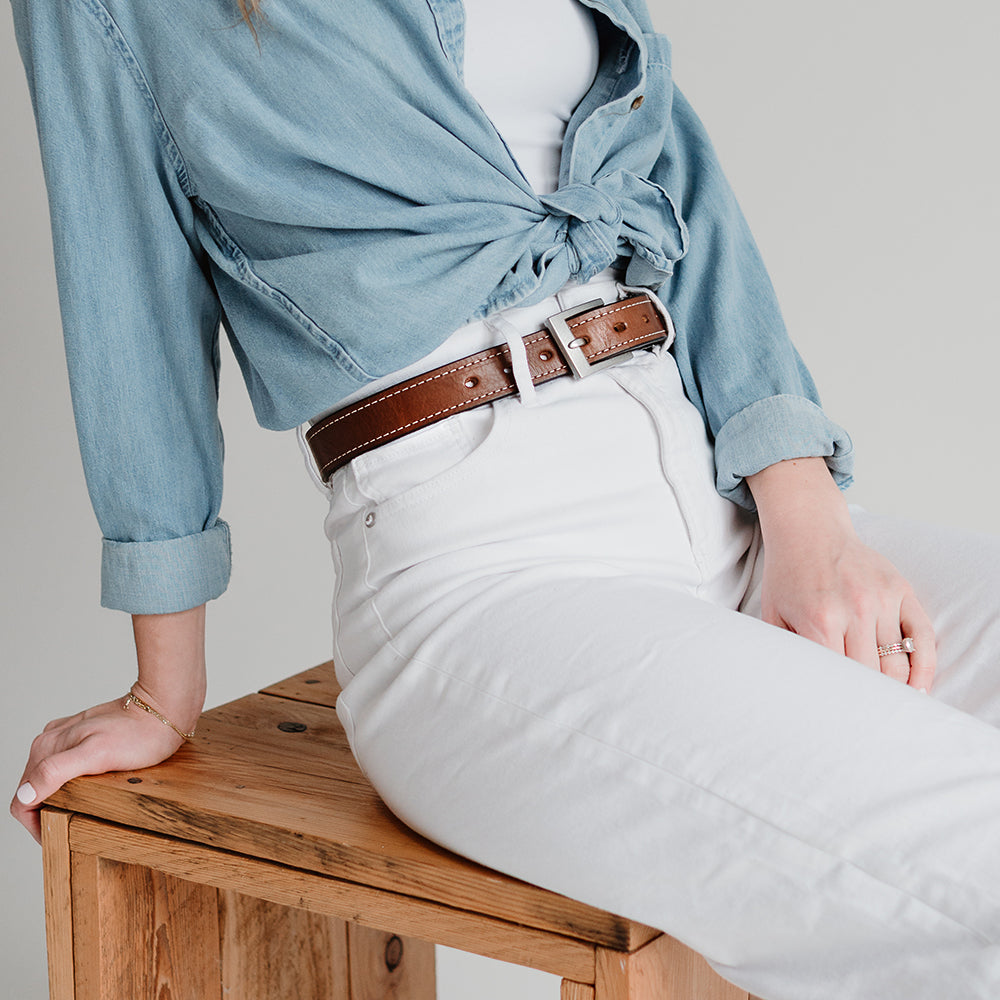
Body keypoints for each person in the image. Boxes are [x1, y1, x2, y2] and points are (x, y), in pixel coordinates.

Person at [8, 0, 1000, 997]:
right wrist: (161, 687)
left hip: (716, 488)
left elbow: (670, 167)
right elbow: (123, 288)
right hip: (488, 570)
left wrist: (804, 507)